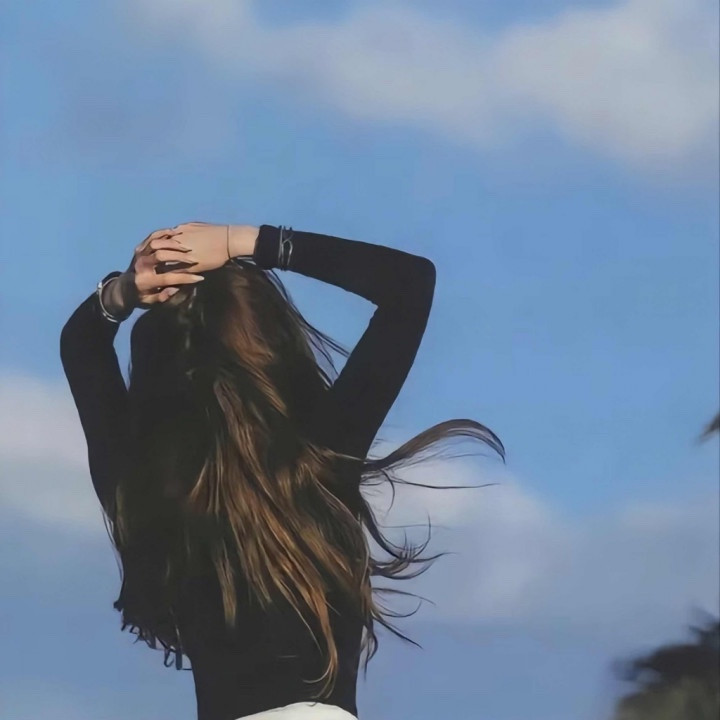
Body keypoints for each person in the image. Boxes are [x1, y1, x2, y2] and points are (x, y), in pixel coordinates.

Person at [59, 222, 505, 720]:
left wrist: (125, 289)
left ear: (152, 371)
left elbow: (82, 346)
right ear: (273, 343)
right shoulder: (316, 461)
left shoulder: (140, 488)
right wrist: (245, 241)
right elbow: (409, 282)